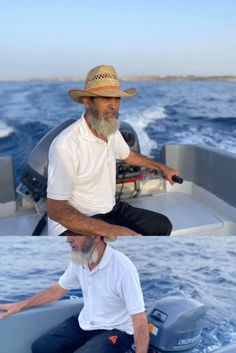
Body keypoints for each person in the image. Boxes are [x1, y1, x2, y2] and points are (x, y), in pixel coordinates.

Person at [47, 65, 179, 236]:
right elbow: (56, 210)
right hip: (72, 223)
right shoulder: (65, 146)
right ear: (87, 102)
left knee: (162, 225)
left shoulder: (110, 130)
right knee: (104, 245)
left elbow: (129, 155)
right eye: (106, 99)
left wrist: (162, 167)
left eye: (117, 99)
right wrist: (113, 231)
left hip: (109, 211)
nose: (113, 106)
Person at [0, 233, 150, 353]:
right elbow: (58, 289)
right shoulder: (80, 259)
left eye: (74, 234)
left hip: (118, 329)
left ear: (95, 236)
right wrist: (20, 305)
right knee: (42, 347)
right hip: (86, 323)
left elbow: (139, 319)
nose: (68, 239)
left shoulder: (123, 268)